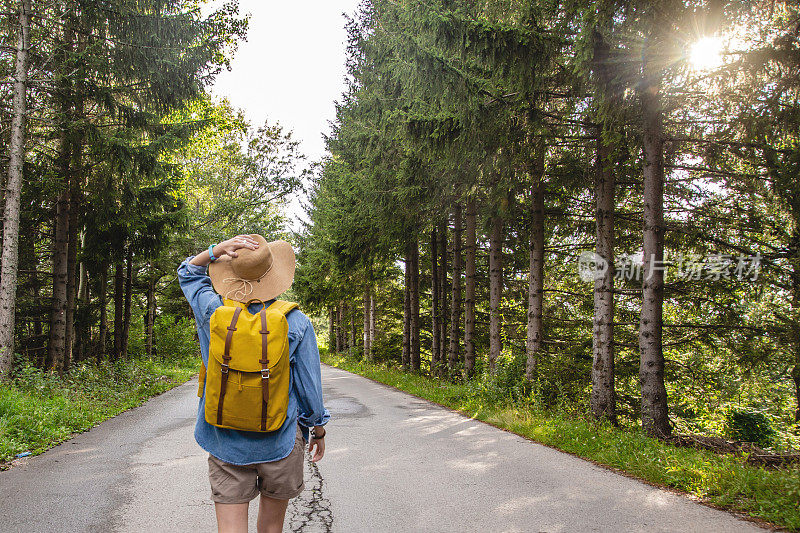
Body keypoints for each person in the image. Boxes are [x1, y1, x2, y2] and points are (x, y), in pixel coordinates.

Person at [177, 234, 330, 533]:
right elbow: (309, 388)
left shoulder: (212, 310)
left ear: (231, 276)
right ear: (274, 275)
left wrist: (216, 250)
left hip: (224, 443)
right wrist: (318, 428)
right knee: (271, 528)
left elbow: (188, 272)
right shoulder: (296, 321)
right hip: (281, 441)